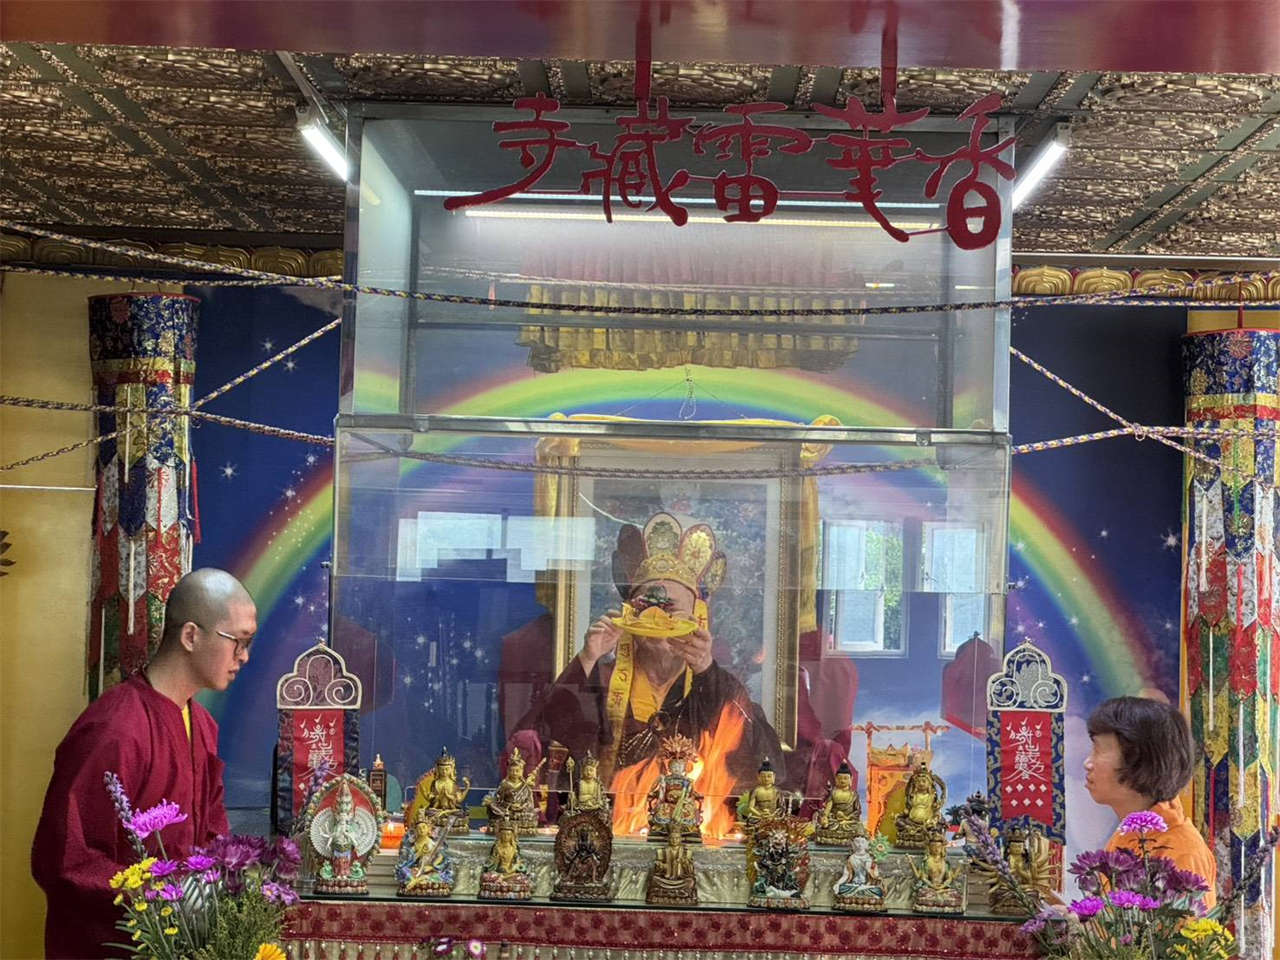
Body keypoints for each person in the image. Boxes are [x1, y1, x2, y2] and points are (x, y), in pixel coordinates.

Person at [32, 568, 256, 959]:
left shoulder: (202, 725)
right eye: (238, 641)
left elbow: (211, 835)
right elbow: (64, 859)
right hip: (114, 945)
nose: (244, 656)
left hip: (183, 941)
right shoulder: (115, 728)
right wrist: (161, 896)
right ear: (190, 636)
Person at [509, 512, 785, 799]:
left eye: (670, 609)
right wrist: (588, 658)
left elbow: (750, 753)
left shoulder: (713, 687)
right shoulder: (603, 681)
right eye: (646, 607)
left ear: (698, 618)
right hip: (614, 818)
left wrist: (706, 669)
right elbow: (538, 738)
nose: (656, 616)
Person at [1084, 696, 1217, 907]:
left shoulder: (1182, 852)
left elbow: (1184, 928)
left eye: (1098, 750)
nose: (1088, 763)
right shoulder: (1127, 836)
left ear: (1137, 758)